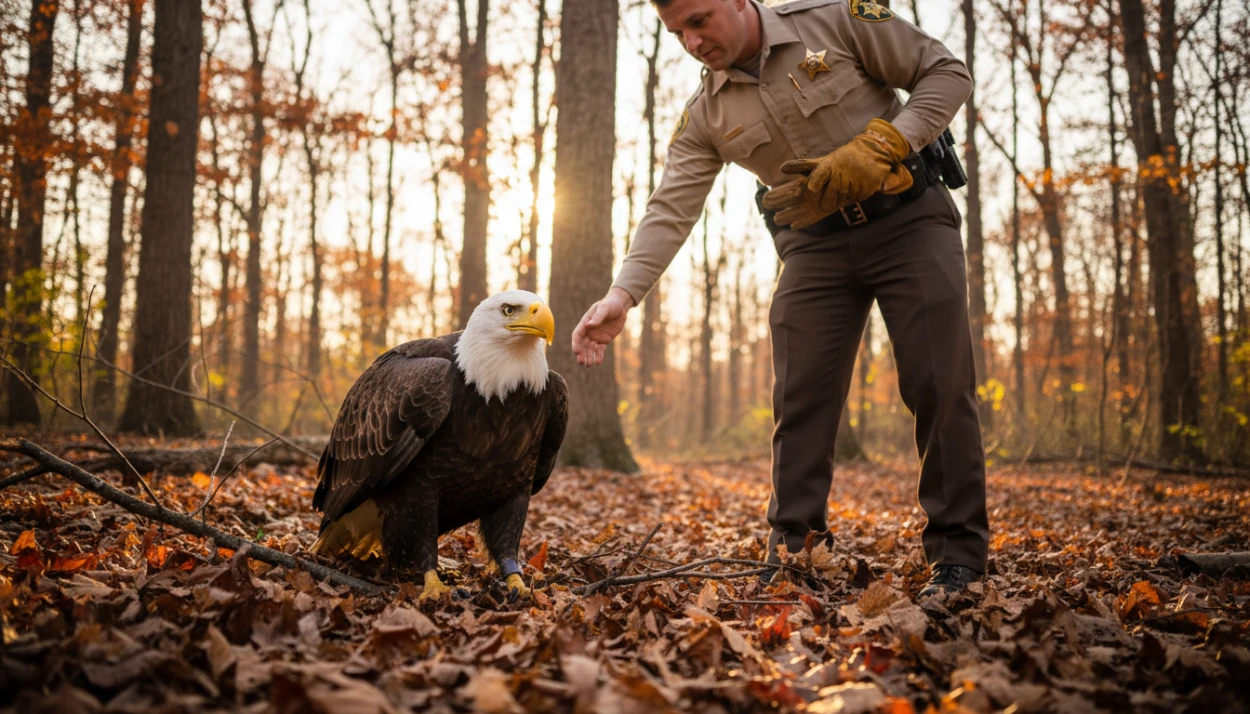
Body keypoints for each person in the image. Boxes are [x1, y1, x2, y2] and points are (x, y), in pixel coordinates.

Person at [571, 0, 989, 597]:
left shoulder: (835, 20)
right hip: (814, 250)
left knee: (939, 384)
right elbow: (670, 206)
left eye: (699, 20)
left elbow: (947, 71)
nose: (692, 43)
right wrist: (623, 293)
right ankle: (795, 552)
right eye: (677, 32)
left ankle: (958, 558)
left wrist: (887, 142)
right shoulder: (706, 113)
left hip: (909, 223)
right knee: (800, 399)